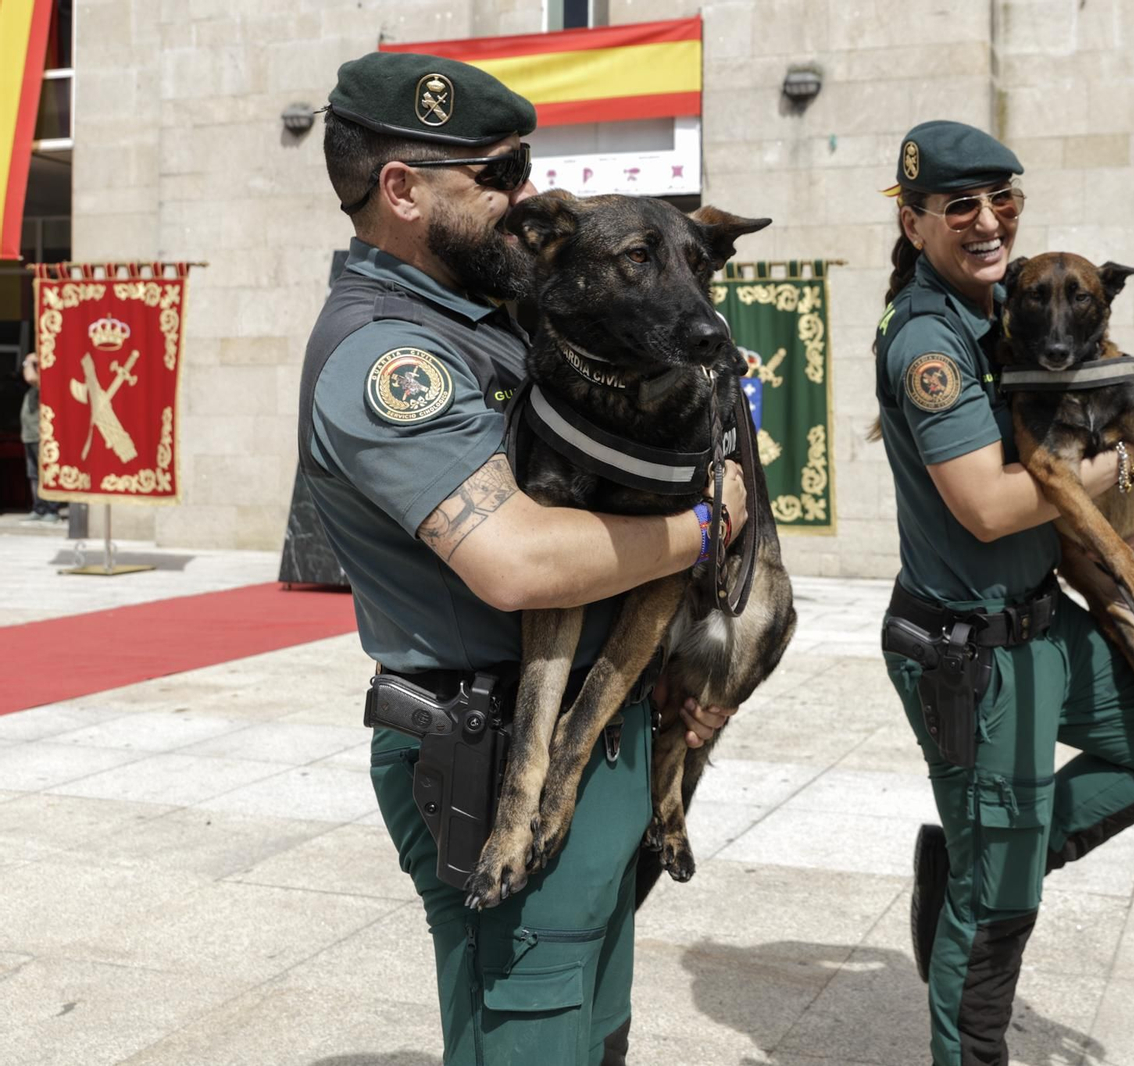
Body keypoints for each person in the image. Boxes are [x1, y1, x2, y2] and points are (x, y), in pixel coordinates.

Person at [298, 53, 747, 1066]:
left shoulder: (496, 316)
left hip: (597, 730)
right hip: (490, 744)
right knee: (527, 1040)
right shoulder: (388, 357)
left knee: (593, 1036)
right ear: (401, 190)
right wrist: (708, 524)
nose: (526, 195)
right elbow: (520, 564)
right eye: (496, 176)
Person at [873, 120, 1134, 1066]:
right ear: (915, 222)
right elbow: (986, 505)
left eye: (1003, 200)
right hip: (968, 649)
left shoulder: (1004, 312)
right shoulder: (929, 340)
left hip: (1045, 622)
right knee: (1004, 905)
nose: (989, 221)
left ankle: (971, 865)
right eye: (961, 206)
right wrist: (1122, 456)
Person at [18, 351, 60, 522]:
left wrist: (28, 361)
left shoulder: (46, 381)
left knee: (46, 473)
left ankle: (52, 509)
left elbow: (30, 378)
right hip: (29, 436)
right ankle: (39, 507)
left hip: (41, 435)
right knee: (34, 475)